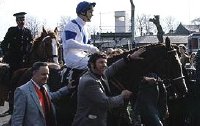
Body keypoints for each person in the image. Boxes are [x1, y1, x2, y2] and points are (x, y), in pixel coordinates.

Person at [72, 48, 145, 126]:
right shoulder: (89, 81)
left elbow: (114, 67)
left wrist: (130, 57)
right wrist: (122, 96)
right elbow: (106, 103)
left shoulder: (99, 74)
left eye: (105, 62)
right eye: (101, 62)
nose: (104, 65)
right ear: (92, 64)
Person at [11, 62, 74, 126]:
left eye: (47, 74)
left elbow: (52, 96)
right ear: (34, 73)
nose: (46, 77)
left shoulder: (45, 87)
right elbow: (17, 118)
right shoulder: (22, 91)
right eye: (43, 74)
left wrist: (67, 88)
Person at [0, 12, 33, 116]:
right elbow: (4, 43)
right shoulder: (12, 30)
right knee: (11, 82)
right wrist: (6, 54)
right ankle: (10, 105)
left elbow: (30, 45)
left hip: (24, 62)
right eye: (19, 20)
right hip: (13, 61)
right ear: (16, 21)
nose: (21, 22)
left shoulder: (28, 32)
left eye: (23, 20)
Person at [61, 1, 99, 70]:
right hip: (72, 58)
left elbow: (88, 44)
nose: (92, 14)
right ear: (82, 12)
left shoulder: (85, 27)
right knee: (97, 65)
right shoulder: (71, 25)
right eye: (90, 12)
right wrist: (89, 48)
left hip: (83, 56)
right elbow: (69, 42)